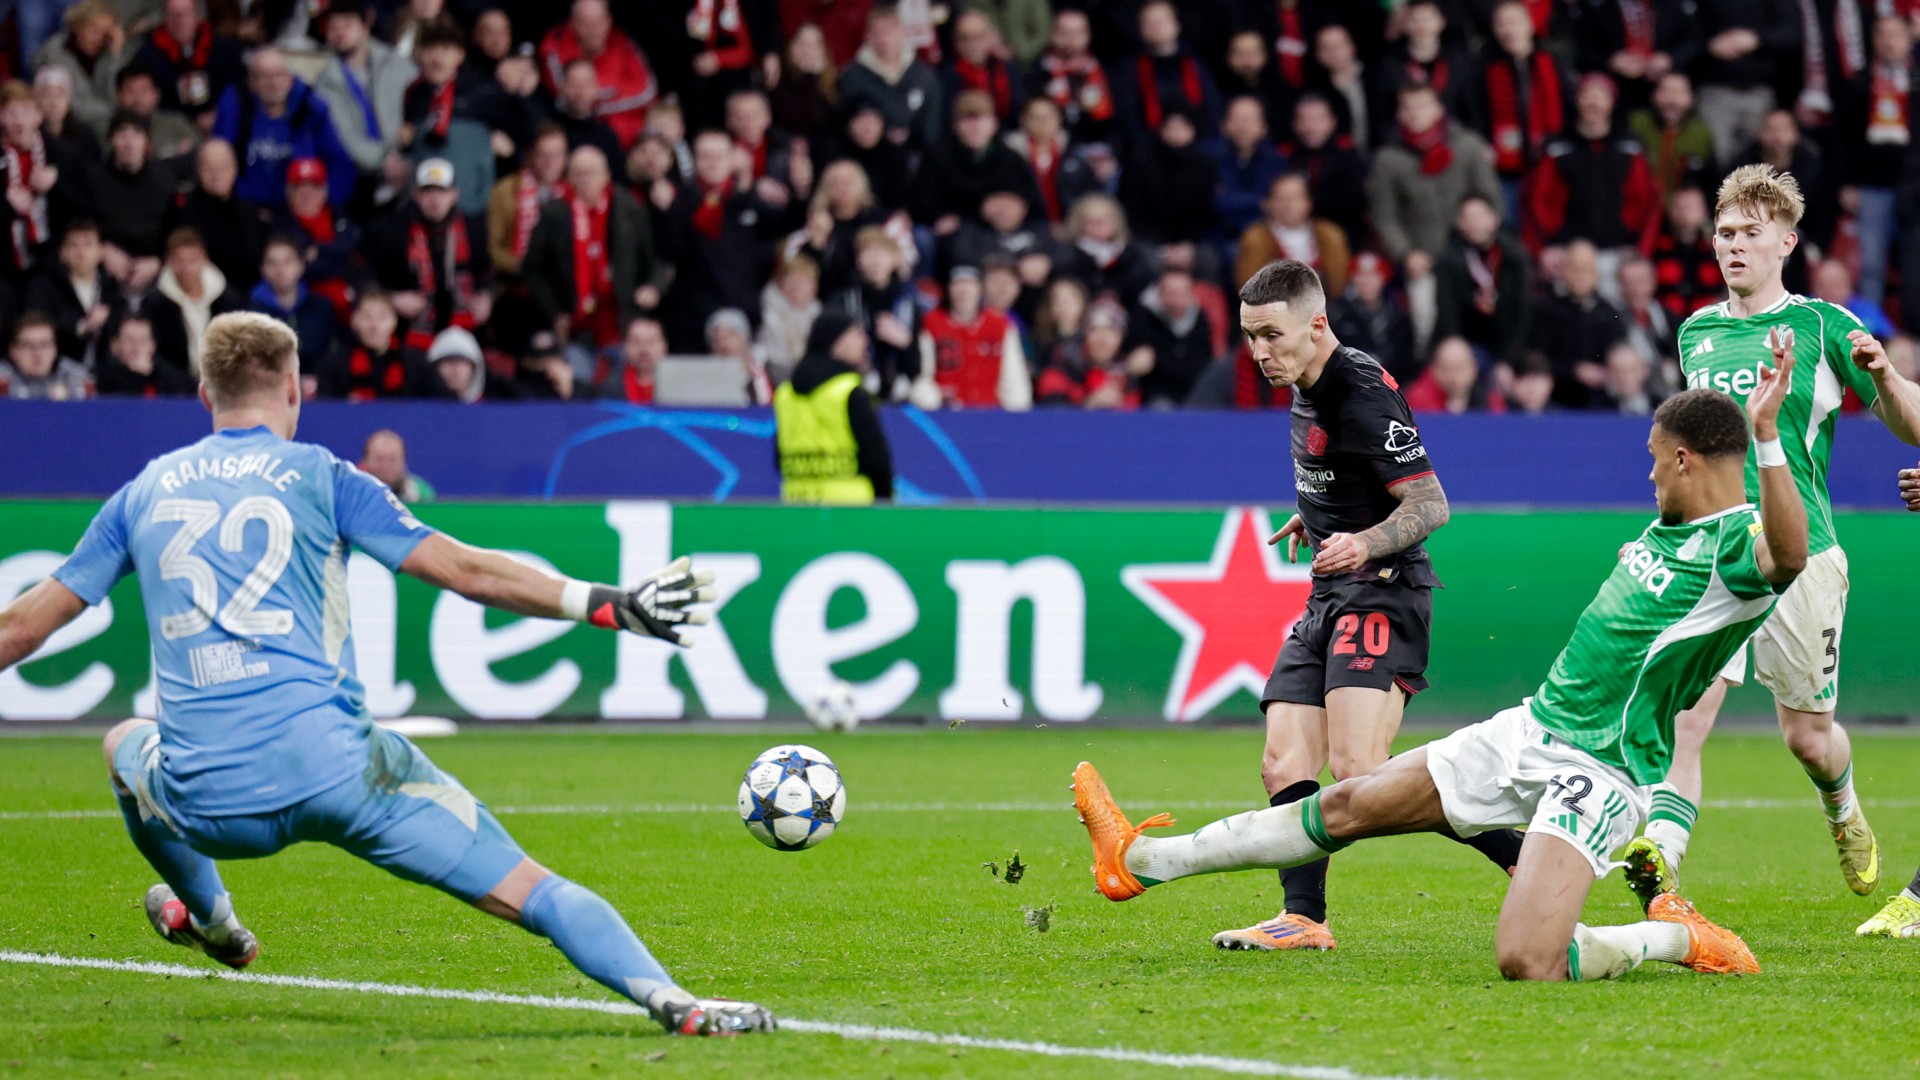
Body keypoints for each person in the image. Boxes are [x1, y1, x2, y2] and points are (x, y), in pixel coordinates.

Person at [0, 312, 773, 1036]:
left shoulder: (141, 493)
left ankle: (215, 923)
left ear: (204, 394)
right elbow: (467, 571)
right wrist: (608, 604)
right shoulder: (324, 476)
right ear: (295, 389)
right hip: (343, 778)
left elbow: (23, 627)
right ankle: (679, 1004)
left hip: (210, 801)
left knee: (123, 744)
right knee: (533, 889)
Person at [1074, 369, 1807, 982]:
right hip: (1531, 727)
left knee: (1530, 961)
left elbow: (1789, 555)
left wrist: (1768, 435)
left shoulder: (1738, 546)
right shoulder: (1670, 526)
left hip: (1602, 767)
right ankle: (1142, 861)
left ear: (1683, 458)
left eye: (1653, 458)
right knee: (1348, 803)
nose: (1647, 473)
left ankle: (1675, 937)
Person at [1183, 261, 1522, 953]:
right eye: (1249, 337)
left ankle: (1523, 854)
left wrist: (1363, 540)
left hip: (1384, 589)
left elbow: (1430, 504)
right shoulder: (1303, 380)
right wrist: (1319, 516)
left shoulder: (1360, 392)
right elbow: (1350, 472)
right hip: (1330, 592)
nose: (1259, 352)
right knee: (1284, 764)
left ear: (1316, 325)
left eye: (1271, 336)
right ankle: (1303, 917)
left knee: (1361, 770)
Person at [1617, 164, 1920, 910]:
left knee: (1807, 738)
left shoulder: (1824, 326)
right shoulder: (1696, 333)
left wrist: (1886, 377)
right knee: (1687, 711)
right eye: (1724, 232)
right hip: (1715, 548)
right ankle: (1662, 853)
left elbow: (1911, 426)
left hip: (1800, 549)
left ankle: (1842, 806)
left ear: (1786, 242)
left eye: (1751, 233)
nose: (1733, 245)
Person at [521, 145, 660, 381]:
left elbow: (654, 258)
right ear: (569, 178)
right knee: (580, 386)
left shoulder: (628, 208)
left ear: (606, 176)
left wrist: (653, 287)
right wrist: (555, 312)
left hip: (620, 324)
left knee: (619, 388)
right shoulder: (555, 213)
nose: (586, 179)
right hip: (575, 327)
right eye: (579, 173)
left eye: (592, 173)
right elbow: (532, 269)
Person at [360, 158, 491, 352]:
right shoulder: (390, 230)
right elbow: (361, 273)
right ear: (416, 195)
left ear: (454, 194)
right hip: (405, 334)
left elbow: (486, 271)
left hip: (462, 334)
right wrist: (393, 299)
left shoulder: (473, 229)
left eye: (442, 191)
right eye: (428, 192)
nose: (435, 201)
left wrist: (486, 296)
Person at [211, 48, 357, 212]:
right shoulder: (235, 106)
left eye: (280, 75)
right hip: (247, 209)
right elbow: (217, 160)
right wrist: (243, 207)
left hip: (302, 211)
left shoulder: (311, 109)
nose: (274, 83)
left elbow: (340, 164)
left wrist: (322, 203)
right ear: (252, 83)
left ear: (291, 79)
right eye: (266, 76)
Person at [774, 311, 894, 505]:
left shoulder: (785, 393)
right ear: (837, 342)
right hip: (850, 507)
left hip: (797, 503)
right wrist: (885, 498)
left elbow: (779, 456)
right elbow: (876, 457)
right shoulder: (848, 391)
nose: (864, 341)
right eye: (856, 334)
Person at [311, 0, 415, 182]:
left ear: (365, 27)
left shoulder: (397, 66)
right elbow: (343, 135)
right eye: (333, 28)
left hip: (407, 162)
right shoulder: (324, 83)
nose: (340, 33)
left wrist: (413, 131)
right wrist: (383, 159)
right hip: (357, 175)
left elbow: (422, 104)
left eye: (347, 25)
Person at [538, 0, 659, 148]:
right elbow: (564, 94)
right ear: (572, 24)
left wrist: (595, 102)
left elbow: (647, 92)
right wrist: (611, 94)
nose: (593, 30)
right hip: (574, 133)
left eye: (598, 22)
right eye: (585, 23)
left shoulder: (624, 43)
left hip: (628, 139)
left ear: (608, 21)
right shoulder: (556, 46)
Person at [915, 264, 1029, 410]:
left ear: (980, 289)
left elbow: (1013, 376)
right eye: (958, 284)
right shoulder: (931, 323)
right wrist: (931, 401)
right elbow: (922, 374)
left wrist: (1017, 412)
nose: (964, 292)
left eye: (970, 285)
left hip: (988, 411)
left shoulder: (1000, 325)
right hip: (946, 411)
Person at [164, 139, 269, 292]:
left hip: (246, 293)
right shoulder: (183, 211)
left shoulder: (250, 211)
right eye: (209, 168)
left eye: (223, 167)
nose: (216, 174)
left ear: (234, 169)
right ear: (198, 170)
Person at [836, 5, 943, 152]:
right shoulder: (852, 77)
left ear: (903, 33)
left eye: (890, 31)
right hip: (868, 156)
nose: (884, 39)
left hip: (917, 156)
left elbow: (932, 125)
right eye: (878, 33)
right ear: (868, 36)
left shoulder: (923, 76)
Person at [1234, 172, 1349, 295]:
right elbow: (1248, 285)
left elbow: (1339, 281)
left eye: (1295, 198)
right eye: (1281, 199)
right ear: (1268, 204)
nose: (1288, 206)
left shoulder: (1329, 234)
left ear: (1308, 203)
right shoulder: (1255, 237)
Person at [137, 0, 247, 125]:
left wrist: (218, 113)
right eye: (173, 16)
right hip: (173, 124)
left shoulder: (224, 48)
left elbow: (238, 87)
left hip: (222, 120)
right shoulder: (149, 55)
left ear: (198, 16)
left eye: (185, 15)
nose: (179, 22)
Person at [25, 218, 119, 364]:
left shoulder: (113, 288)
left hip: (107, 370)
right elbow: (38, 325)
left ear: (101, 251)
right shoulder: (45, 288)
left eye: (88, 244)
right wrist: (82, 327)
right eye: (73, 245)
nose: (81, 252)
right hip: (60, 367)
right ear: (62, 253)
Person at [247, 234, 338, 385]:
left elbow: (332, 354)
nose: (280, 270)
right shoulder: (250, 314)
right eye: (272, 263)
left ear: (301, 265)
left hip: (319, 391)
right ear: (263, 268)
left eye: (287, 261)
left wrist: (319, 379)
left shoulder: (322, 308)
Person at [320, 290, 430, 401]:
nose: (374, 325)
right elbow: (323, 405)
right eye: (367, 317)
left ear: (394, 321)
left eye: (382, 317)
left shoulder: (414, 362)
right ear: (354, 320)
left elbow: (439, 401)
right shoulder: (335, 362)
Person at [95, 311, 195, 397]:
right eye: (129, 339)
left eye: (142, 340)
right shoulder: (102, 378)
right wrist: (137, 376)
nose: (136, 345)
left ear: (152, 345)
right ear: (114, 345)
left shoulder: (169, 375)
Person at [0, 310, 91, 399]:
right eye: (28, 345)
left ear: (55, 349)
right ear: (13, 351)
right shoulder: (3, 379)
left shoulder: (74, 378)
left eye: (44, 345)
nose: (37, 353)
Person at [358, 428, 435, 502]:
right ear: (365, 461)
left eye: (393, 460)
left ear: (403, 461)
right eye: (379, 459)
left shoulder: (420, 493)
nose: (386, 467)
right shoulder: (353, 491)